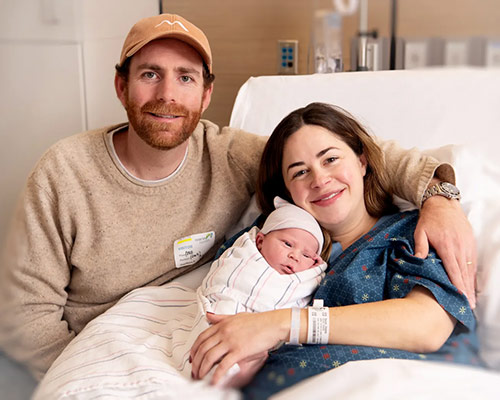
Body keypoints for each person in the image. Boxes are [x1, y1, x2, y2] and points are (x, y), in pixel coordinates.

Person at [0, 12, 475, 381]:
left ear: (206, 95)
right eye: (150, 74)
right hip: (102, 346)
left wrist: (439, 194)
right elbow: (26, 316)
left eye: (185, 77)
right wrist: (99, 372)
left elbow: (354, 152)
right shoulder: (63, 172)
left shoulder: (234, 155)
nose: (167, 94)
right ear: (121, 85)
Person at [189, 103, 480, 398]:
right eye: (300, 172)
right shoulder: (267, 238)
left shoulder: (408, 234)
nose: (319, 180)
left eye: (330, 159)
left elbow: (428, 325)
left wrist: (281, 325)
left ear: (362, 162)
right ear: (288, 191)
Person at [32, 198, 327, 398]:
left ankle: (227, 377)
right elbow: (223, 282)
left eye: (306, 255)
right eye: (287, 243)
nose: (293, 256)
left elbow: (304, 309)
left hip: (263, 330)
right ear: (260, 239)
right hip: (217, 309)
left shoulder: (305, 278)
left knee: (245, 357)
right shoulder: (246, 254)